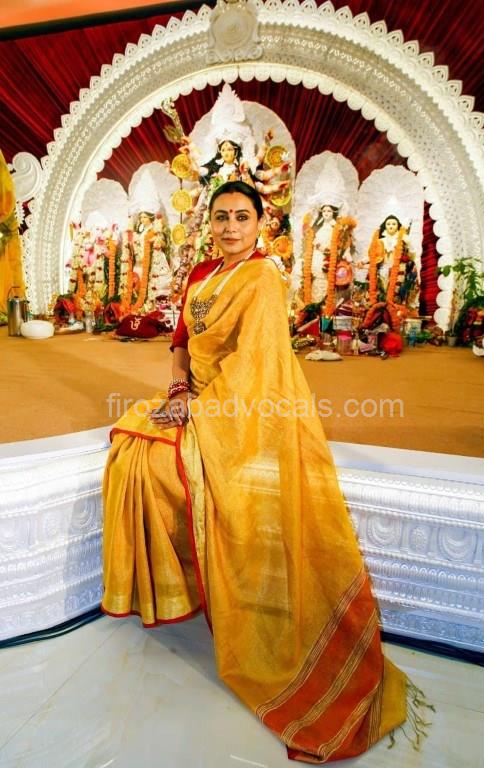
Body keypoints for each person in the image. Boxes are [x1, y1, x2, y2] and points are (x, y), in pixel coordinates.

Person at [102, 181, 428, 763]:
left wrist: (201, 409)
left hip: (247, 401)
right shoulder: (201, 273)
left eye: (241, 217)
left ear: (260, 224)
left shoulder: (264, 279)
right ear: (209, 223)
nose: (230, 227)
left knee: (168, 463)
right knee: (132, 449)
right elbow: (180, 342)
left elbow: (256, 364)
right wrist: (179, 391)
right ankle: (171, 590)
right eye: (221, 217)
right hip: (196, 394)